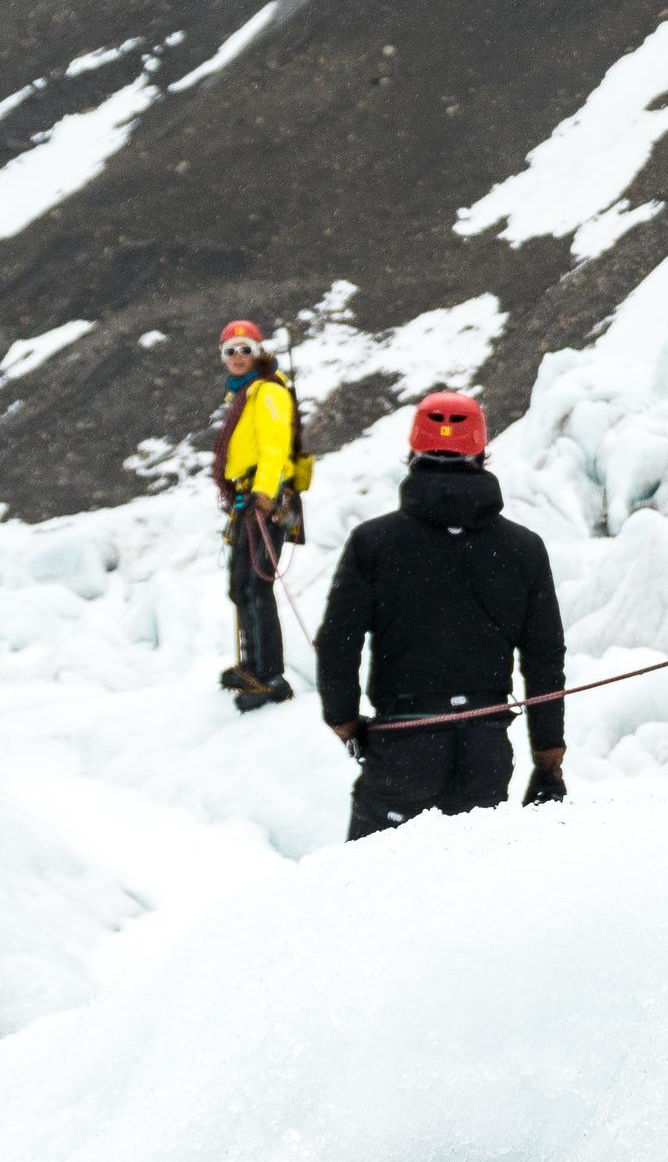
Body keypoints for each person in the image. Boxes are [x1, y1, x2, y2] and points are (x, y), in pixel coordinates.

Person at [319, 391, 568, 836]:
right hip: (486, 748)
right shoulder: (524, 548)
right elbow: (544, 658)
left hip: (402, 744)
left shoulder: (373, 542)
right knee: (467, 889)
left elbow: (340, 640)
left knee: (367, 888)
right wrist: (548, 758)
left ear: (413, 452)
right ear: (482, 453)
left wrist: (343, 718)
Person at [210, 318, 310, 710]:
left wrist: (264, 493)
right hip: (249, 498)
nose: (237, 357)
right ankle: (253, 666)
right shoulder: (246, 393)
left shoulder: (268, 392)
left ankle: (270, 677)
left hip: (265, 500)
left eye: (244, 349)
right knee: (242, 585)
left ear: (259, 351)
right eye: (229, 351)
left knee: (256, 587)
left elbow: (274, 446)